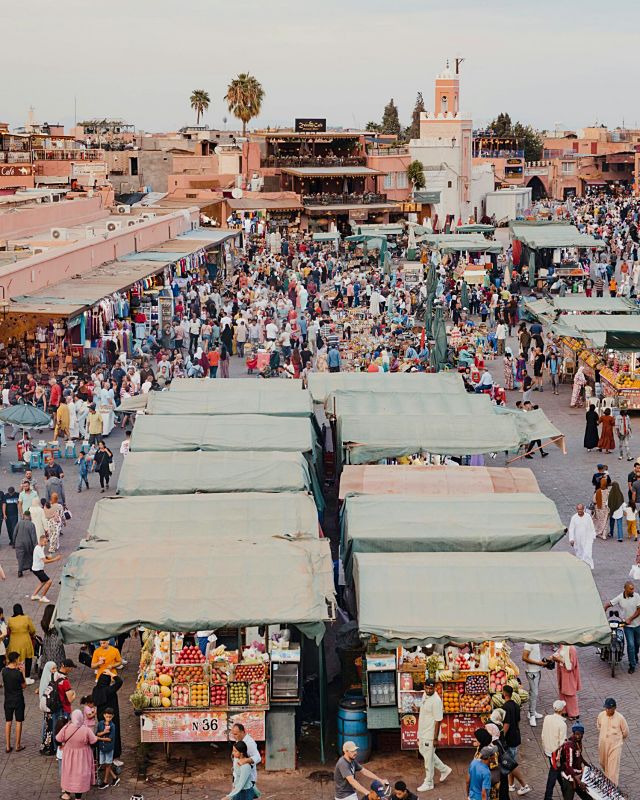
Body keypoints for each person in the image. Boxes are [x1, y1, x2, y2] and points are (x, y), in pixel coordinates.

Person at [416, 678, 452, 791]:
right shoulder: (425, 695)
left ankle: (429, 782)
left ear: (435, 688)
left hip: (430, 734)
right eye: (427, 687)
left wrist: (435, 738)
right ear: (424, 687)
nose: (428, 690)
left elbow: (438, 720)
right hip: (422, 731)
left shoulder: (436, 700)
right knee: (425, 753)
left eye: (431, 688)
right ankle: (444, 769)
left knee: (428, 759)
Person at [57, 709, 98, 800]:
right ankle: (78, 798)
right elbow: (94, 742)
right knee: (80, 775)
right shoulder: (86, 729)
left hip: (69, 754)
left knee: (69, 773)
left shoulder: (66, 727)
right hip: (82, 756)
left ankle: (66, 794)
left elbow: (58, 739)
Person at [605, 582, 640, 673]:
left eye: (633, 588)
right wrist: (603, 610)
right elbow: (609, 604)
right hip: (627, 626)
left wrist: (631, 618)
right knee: (631, 645)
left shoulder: (637, 596)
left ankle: (635, 657)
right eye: (630, 589)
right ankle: (632, 665)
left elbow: (639, 610)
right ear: (625, 589)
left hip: (638, 625)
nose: (633, 590)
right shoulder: (620, 597)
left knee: (637, 644)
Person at [502, 684, 531, 795]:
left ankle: (524, 785)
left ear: (504, 694)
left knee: (510, 764)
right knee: (512, 761)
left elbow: (507, 724)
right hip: (515, 737)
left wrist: (501, 737)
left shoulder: (505, 707)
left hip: (509, 739)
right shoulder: (516, 705)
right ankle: (511, 785)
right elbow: (517, 721)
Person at [92, 671, 123, 759]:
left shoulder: (96, 689)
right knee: (112, 735)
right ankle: (113, 755)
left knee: (102, 733)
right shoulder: (108, 690)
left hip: (101, 715)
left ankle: (101, 754)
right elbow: (119, 682)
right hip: (111, 716)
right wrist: (111, 673)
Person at [596, 698, 628, 785]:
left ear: (614, 708)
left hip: (615, 746)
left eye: (609, 708)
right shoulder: (601, 715)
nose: (607, 710)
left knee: (613, 769)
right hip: (603, 745)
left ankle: (612, 789)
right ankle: (608, 781)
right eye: (606, 708)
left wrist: (617, 739)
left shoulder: (620, 718)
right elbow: (598, 726)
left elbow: (625, 732)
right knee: (603, 763)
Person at [541, 700, 568, 800]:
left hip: (548, 750)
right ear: (562, 710)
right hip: (556, 753)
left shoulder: (547, 718)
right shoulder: (562, 724)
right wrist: (558, 757)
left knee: (557, 771)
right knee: (553, 773)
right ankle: (548, 796)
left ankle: (564, 789)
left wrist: (544, 747)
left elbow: (543, 735)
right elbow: (562, 743)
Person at [2, 650, 26, 752]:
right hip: (18, 699)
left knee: (8, 722)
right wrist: (23, 672)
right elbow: (24, 685)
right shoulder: (18, 673)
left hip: (8, 699)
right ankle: (17, 745)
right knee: (18, 721)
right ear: (15, 660)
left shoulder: (4, 671)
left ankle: (7, 746)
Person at [559, 723, 588, 800]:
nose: (578, 736)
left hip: (577, 776)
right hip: (570, 778)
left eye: (580, 734)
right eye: (576, 734)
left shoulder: (578, 743)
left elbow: (579, 755)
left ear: (583, 734)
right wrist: (578, 781)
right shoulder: (570, 746)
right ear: (573, 733)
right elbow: (569, 765)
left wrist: (587, 765)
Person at [7, 604, 35, 683]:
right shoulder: (26, 618)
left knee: (15, 659)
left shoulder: (10, 620)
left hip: (14, 642)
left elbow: (8, 631)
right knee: (28, 658)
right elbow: (32, 630)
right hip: (25, 641)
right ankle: (27, 677)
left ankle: (15, 676)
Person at [30, 534, 60, 603]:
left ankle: (34, 595)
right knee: (49, 581)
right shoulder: (38, 549)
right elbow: (45, 561)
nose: (46, 543)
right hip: (38, 570)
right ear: (40, 541)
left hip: (37, 568)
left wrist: (47, 557)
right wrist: (55, 559)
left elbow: (42, 557)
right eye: (45, 542)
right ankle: (43, 597)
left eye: (47, 542)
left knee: (43, 581)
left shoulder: (40, 547)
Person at [554, 645, 581, 720]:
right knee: (562, 691)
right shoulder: (562, 646)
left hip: (569, 674)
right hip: (562, 672)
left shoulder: (571, 649)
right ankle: (564, 711)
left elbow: (571, 666)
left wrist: (559, 659)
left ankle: (574, 713)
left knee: (570, 692)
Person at [522, 643, 545, 727]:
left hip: (537, 671)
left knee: (534, 693)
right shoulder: (528, 643)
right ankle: (532, 716)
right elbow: (524, 657)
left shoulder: (536, 642)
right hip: (532, 672)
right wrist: (538, 663)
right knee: (534, 694)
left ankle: (531, 711)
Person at [96, 707, 120, 788]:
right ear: (104, 715)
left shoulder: (113, 726)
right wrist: (104, 732)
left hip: (109, 748)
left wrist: (99, 738)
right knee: (103, 764)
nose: (108, 718)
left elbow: (110, 739)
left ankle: (105, 781)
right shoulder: (100, 723)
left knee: (108, 764)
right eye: (107, 716)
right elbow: (97, 733)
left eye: (110, 717)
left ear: (112, 716)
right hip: (102, 748)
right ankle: (115, 778)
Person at [568, 503, 597, 569]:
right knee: (579, 554)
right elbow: (571, 529)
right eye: (578, 509)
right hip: (578, 539)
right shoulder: (574, 518)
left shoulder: (588, 517)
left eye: (581, 509)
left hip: (587, 538)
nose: (579, 511)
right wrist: (571, 539)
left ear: (583, 509)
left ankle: (589, 566)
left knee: (587, 553)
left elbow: (591, 526)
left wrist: (593, 535)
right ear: (576, 510)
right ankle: (581, 567)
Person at [40, 603, 66, 673]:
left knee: (48, 655)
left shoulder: (44, 622)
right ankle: (57, 671)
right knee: (57, 656)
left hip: (47, 640)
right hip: (55, 641)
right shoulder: (55, 623)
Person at [39, 659, 57, 755]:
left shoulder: (47, 678)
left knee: (47, 727)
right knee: (49, 727)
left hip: (48, 707)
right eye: (53, 668)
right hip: (49, 707)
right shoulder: (48, 679)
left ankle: (47, 745)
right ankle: (49, 747)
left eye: (55, 668)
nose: (54, 670)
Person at [14, 509, 37, 577]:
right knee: (29, 555)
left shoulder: (19, 523)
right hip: (28, 543)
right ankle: (30, 567)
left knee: (20, 557)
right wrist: (35, 546)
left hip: (19, 543)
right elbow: (33, 537)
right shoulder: (31, 524)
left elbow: (14, 533)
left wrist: (13, 542)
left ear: (24, 516)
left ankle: (20, 571)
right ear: (29, 516)